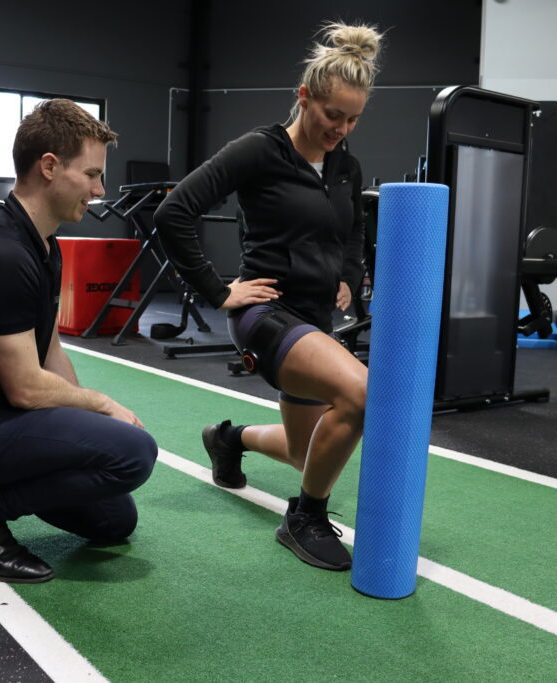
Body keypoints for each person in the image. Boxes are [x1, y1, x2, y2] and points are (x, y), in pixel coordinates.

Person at [154, 22, 380, 572]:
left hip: (314, 318)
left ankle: (229, 439)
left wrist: (348, 273)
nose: (341, 129)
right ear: (304, 97)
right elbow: (173, 213)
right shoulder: (259, 150)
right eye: (333, 115)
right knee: (364, 394)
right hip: (265, 314)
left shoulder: (347, 166)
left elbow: (352, 230)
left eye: (353, 119)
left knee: (308, 453)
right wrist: (217, 290)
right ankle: (303, 518)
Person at [0, 99, 158, 584]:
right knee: (133, 452)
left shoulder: (44, 243)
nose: (99, 190)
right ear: (49, 167)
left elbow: (49, 351)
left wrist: (85, 422)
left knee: (114, 521)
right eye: (91, 174)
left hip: (0, 423)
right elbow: (26, 388)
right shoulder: (0, 252)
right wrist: (102, 406)